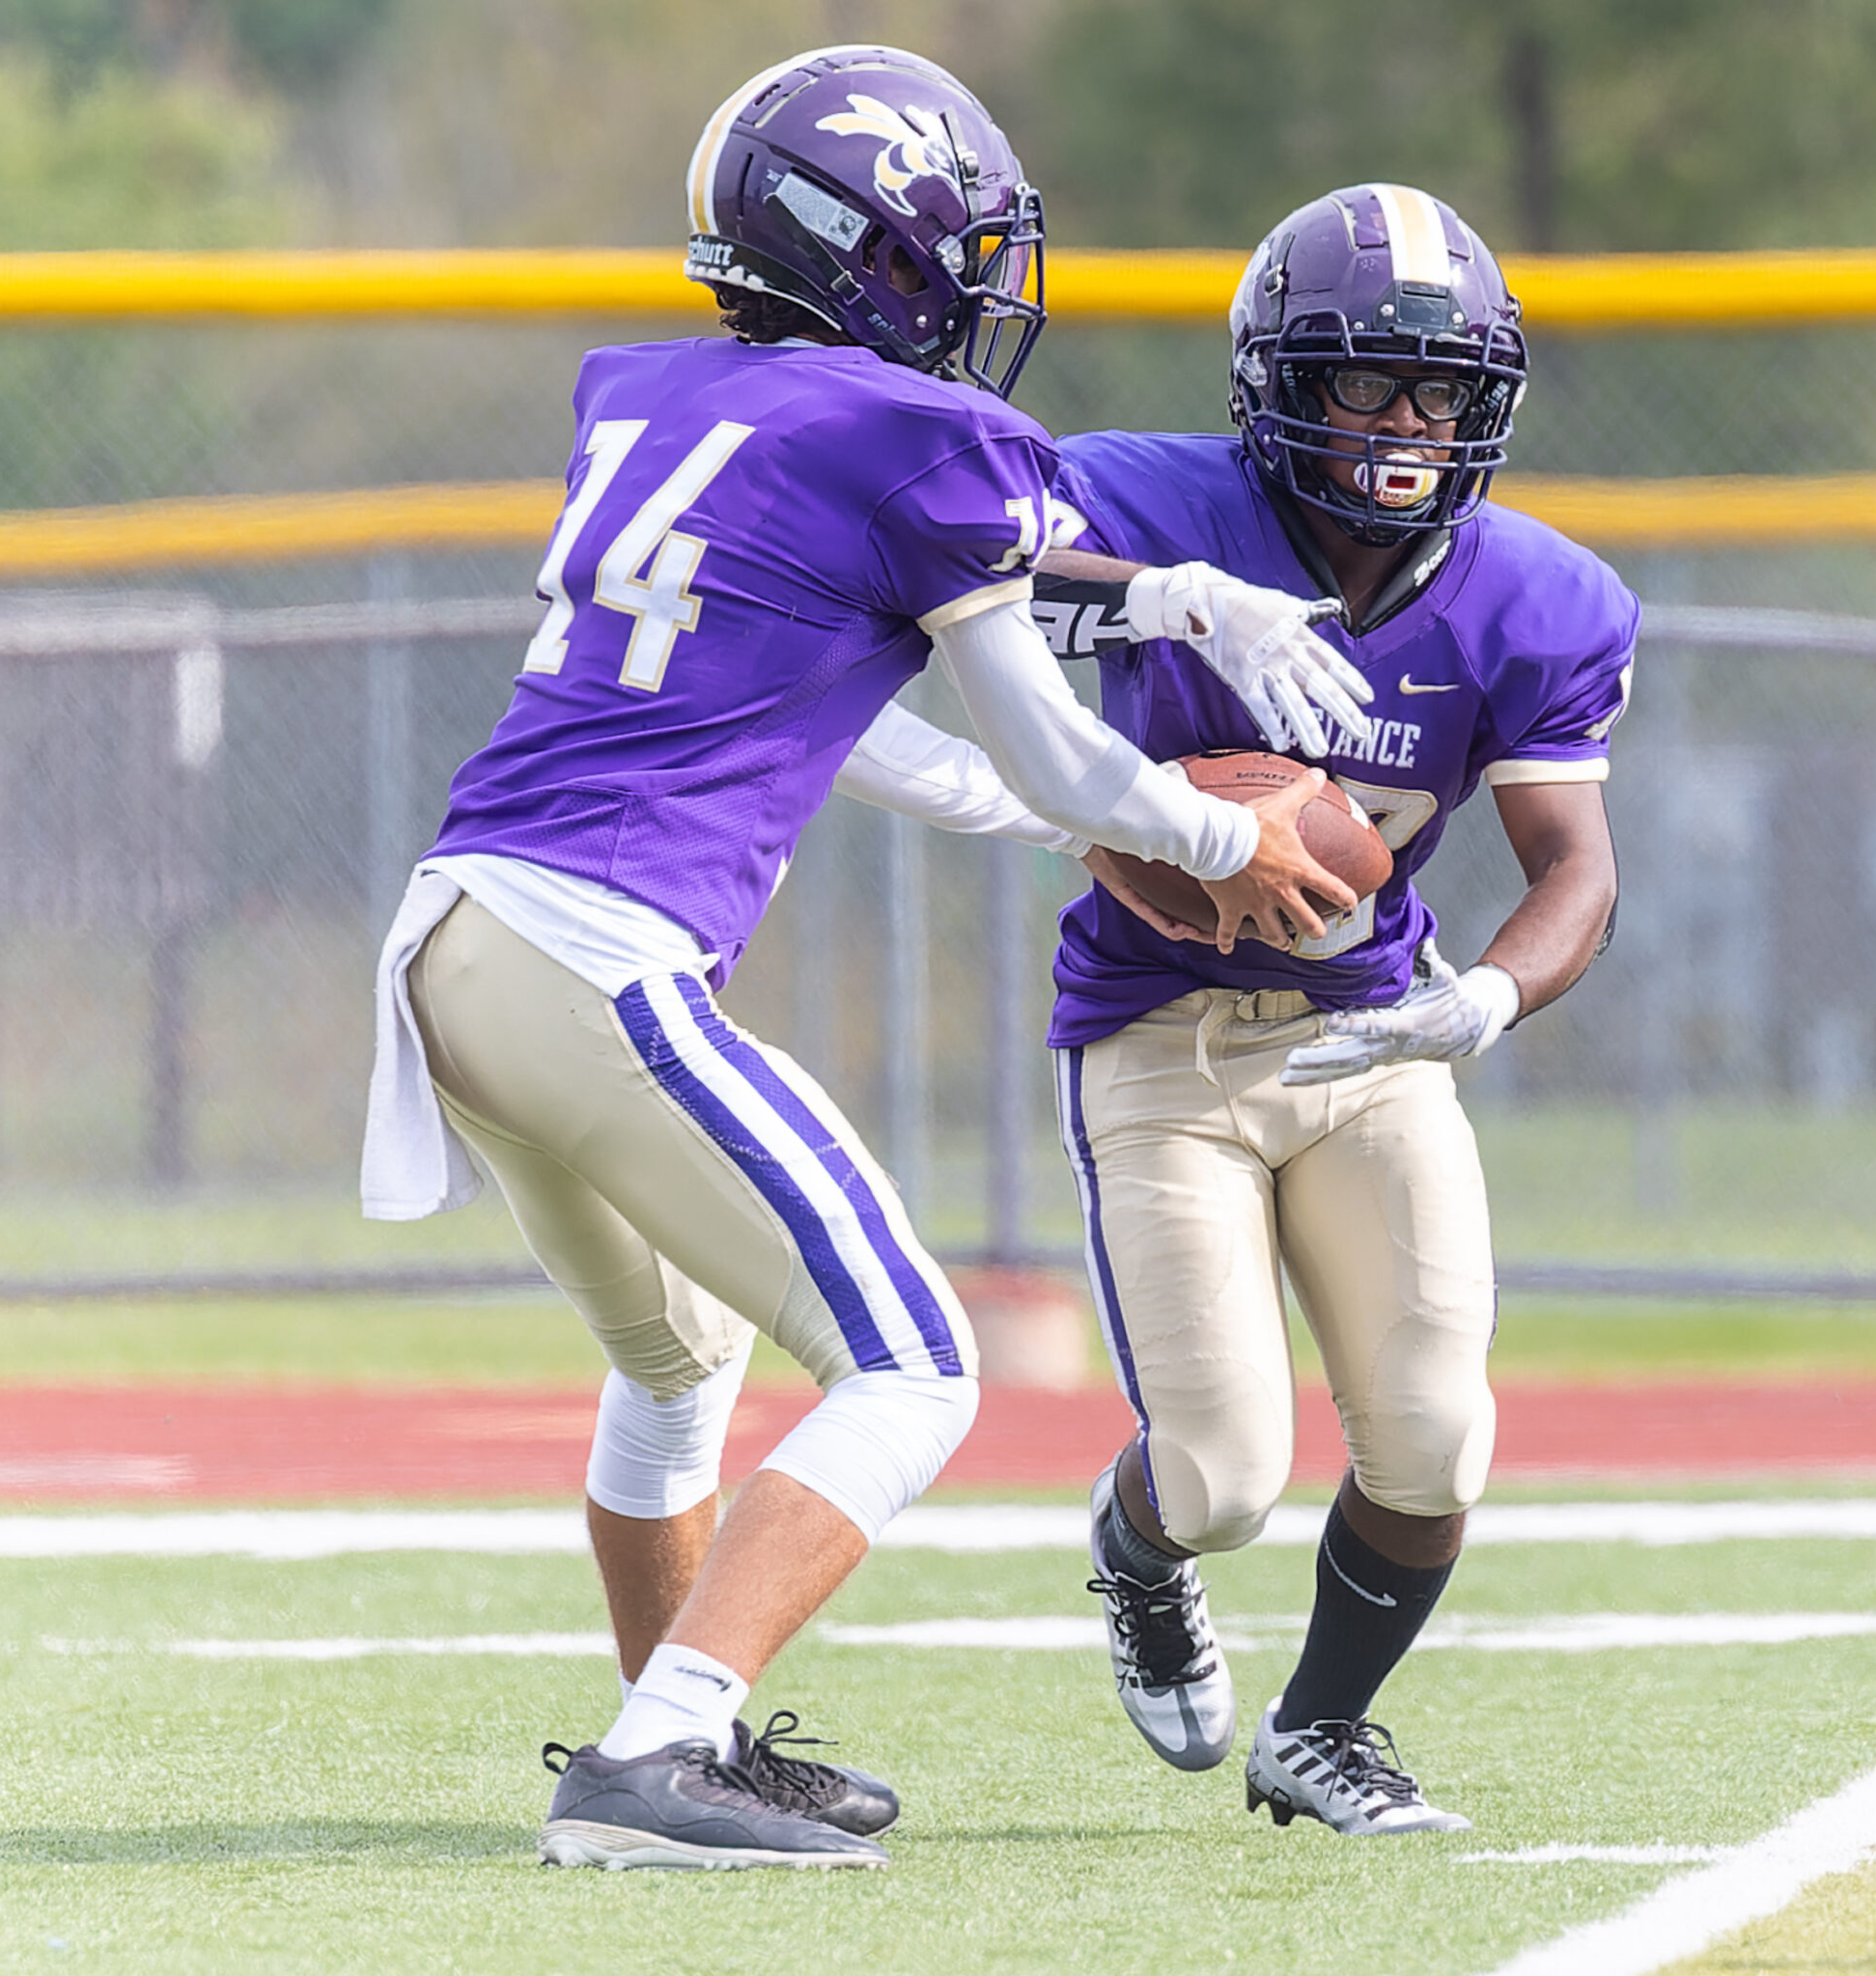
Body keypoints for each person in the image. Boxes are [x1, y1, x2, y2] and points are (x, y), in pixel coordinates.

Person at [358, 45, 1377, 1873]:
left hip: (454, 942)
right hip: (600, 949)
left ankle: (695, 1740)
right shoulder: (920, 437)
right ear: (874, 248)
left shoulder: (657, 396)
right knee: (913, 1362)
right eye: (964, 251)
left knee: (676, 1374)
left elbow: (872, 717)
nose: (988, 291)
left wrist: (1149, 604)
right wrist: (1227, 838)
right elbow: (1060, 745)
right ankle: (652, 1764)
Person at [1032, 183, 1634, 1834]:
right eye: (1364, 379)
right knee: (1222, 1478)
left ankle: (1322, 1731)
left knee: (1435, 1441)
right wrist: (1151, 718)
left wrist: (1486, 1004)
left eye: (1441, 388)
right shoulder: (1142, 502)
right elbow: (963, 591)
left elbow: (1574, 864)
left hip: (1371, 1040)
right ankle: (1138, 1551)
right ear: (1273, 380)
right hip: (1160, 1037)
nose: (1405, 423)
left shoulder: (1540, 599)